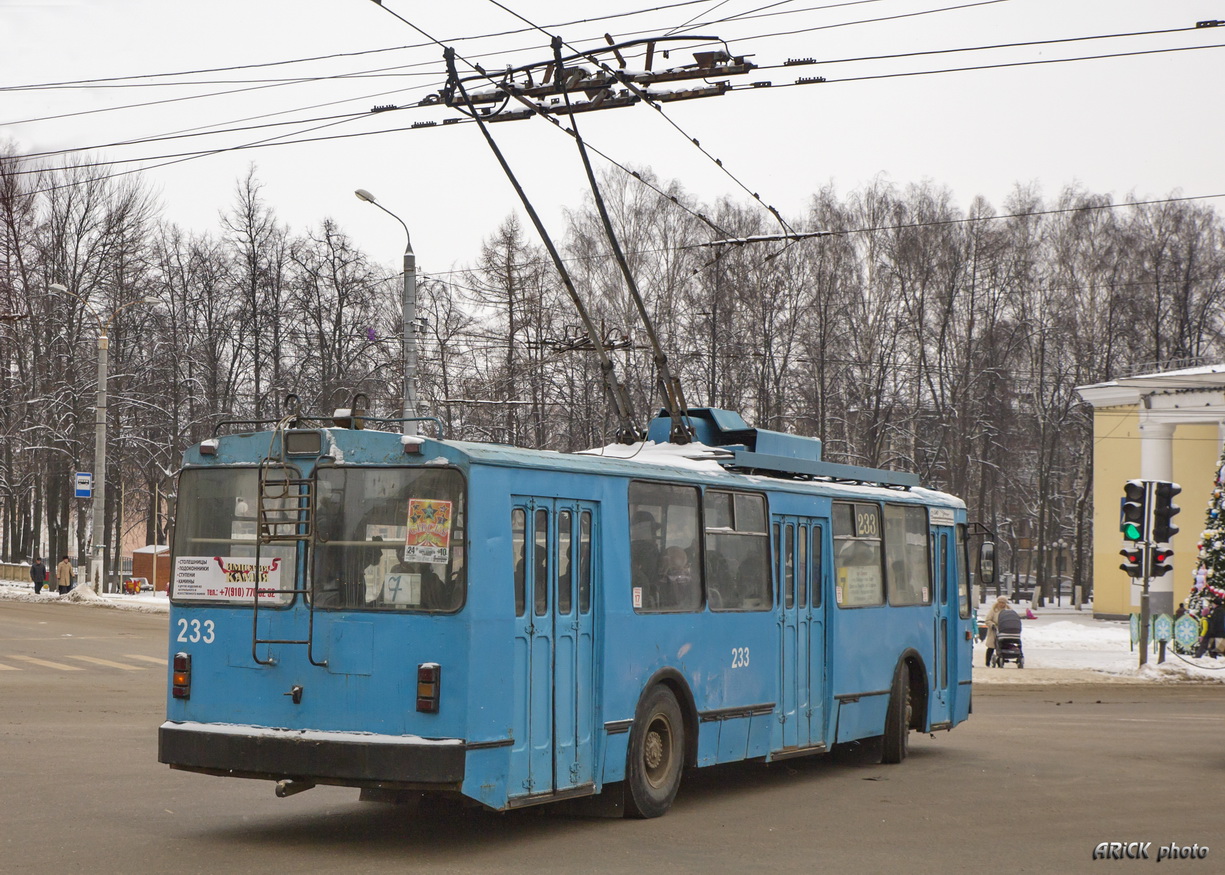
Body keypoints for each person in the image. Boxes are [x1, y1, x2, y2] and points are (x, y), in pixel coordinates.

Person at [982, 595, 1009, 667]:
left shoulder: (1008, 610)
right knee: (991, 646)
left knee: (1004, 645)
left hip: (1005, 630)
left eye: (1003, 603)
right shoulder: (993, 610)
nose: (1001, 604)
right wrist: (992, 625)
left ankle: (1002, 659)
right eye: (1000, 602)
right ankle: (987, 662)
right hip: (994, 630)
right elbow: (987, 620)